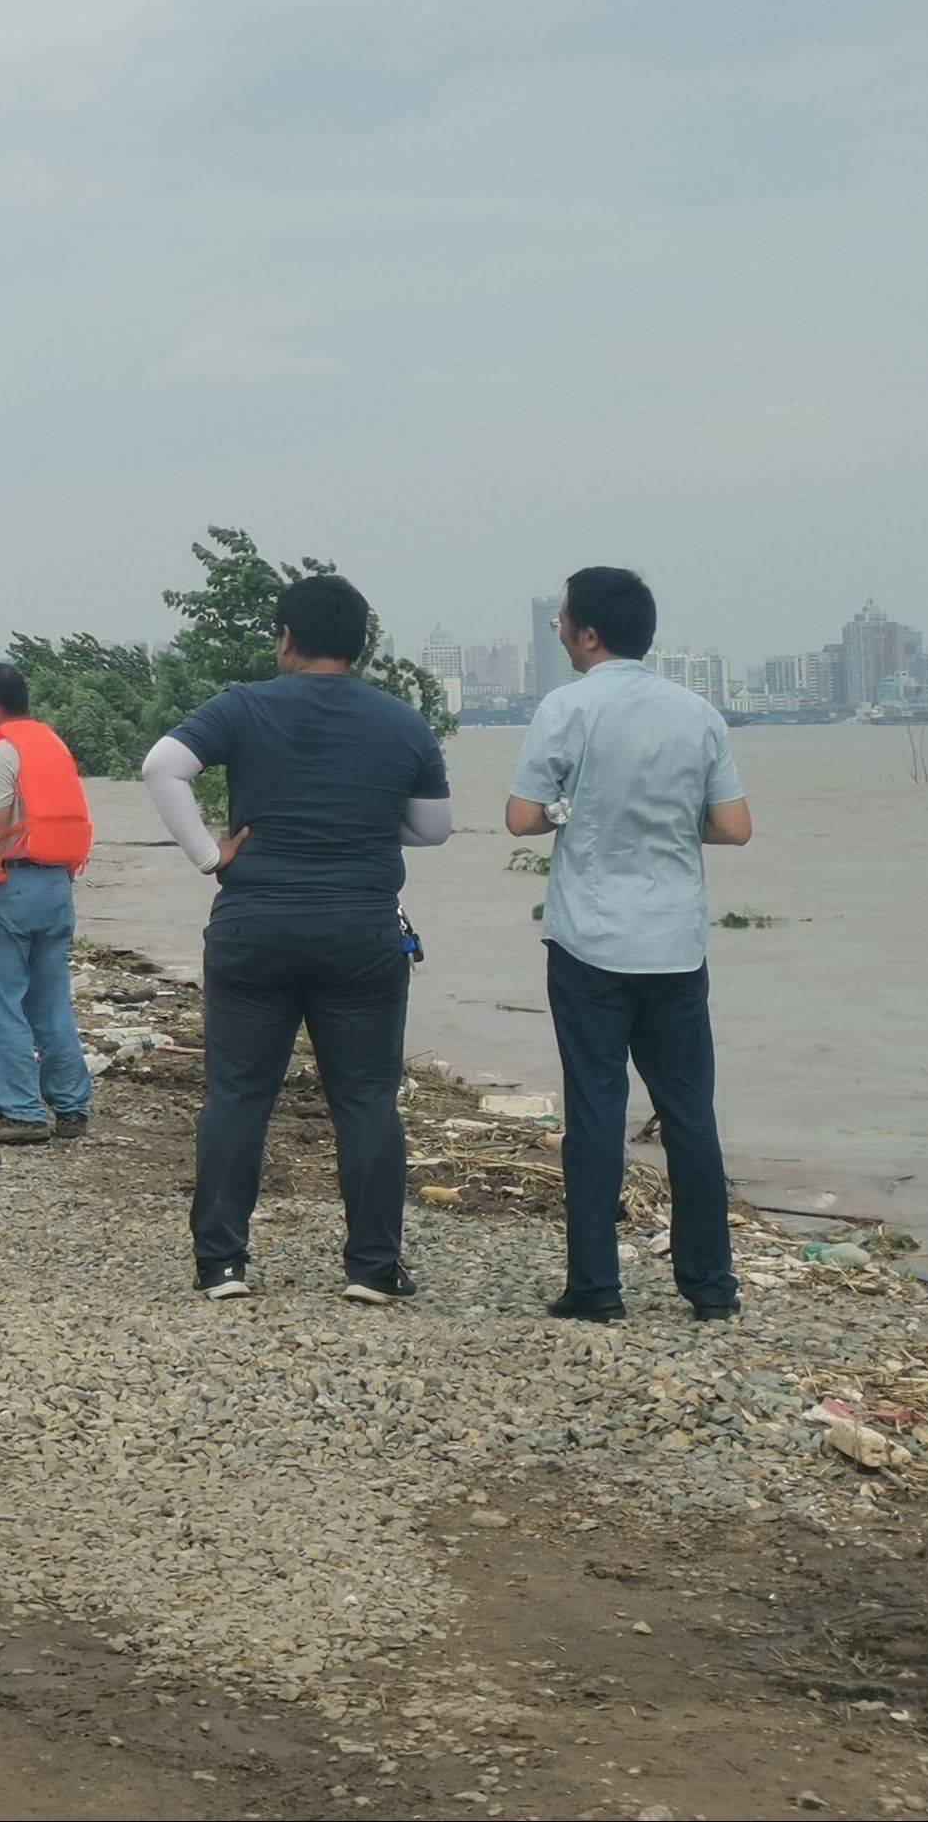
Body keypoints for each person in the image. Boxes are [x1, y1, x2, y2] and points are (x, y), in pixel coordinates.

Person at [142, 572, 451, 1304]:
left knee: (238, 1095)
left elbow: (163, 766)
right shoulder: (401, 721)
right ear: (363, 645)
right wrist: (372, 823)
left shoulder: (243, 707)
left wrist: (209, 854)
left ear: (286, 639)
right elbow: (434, 828)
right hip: (361, 932)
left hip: (255, 927)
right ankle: (372, 1268)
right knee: (368, 1099)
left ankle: (222, 1263)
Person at [505, 566, 753, 1323]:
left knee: (595, 1111)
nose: (558, 632)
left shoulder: (567, 707)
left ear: (586, 633)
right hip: (676, 943)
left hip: (589, 942)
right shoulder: (697, 711)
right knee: (689, 1116)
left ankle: (596, 1289)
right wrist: (675, 825)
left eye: (562, 622)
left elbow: (521, 818)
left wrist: (570, 815)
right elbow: (735, 826)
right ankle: (710, 1288)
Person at [0, 663, 96, 1146]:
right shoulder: (54, 745)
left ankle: (22, 1114)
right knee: (50, 1004)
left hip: (15, 887)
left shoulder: (0, 754)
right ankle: (72, 1109)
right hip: (57, 887)